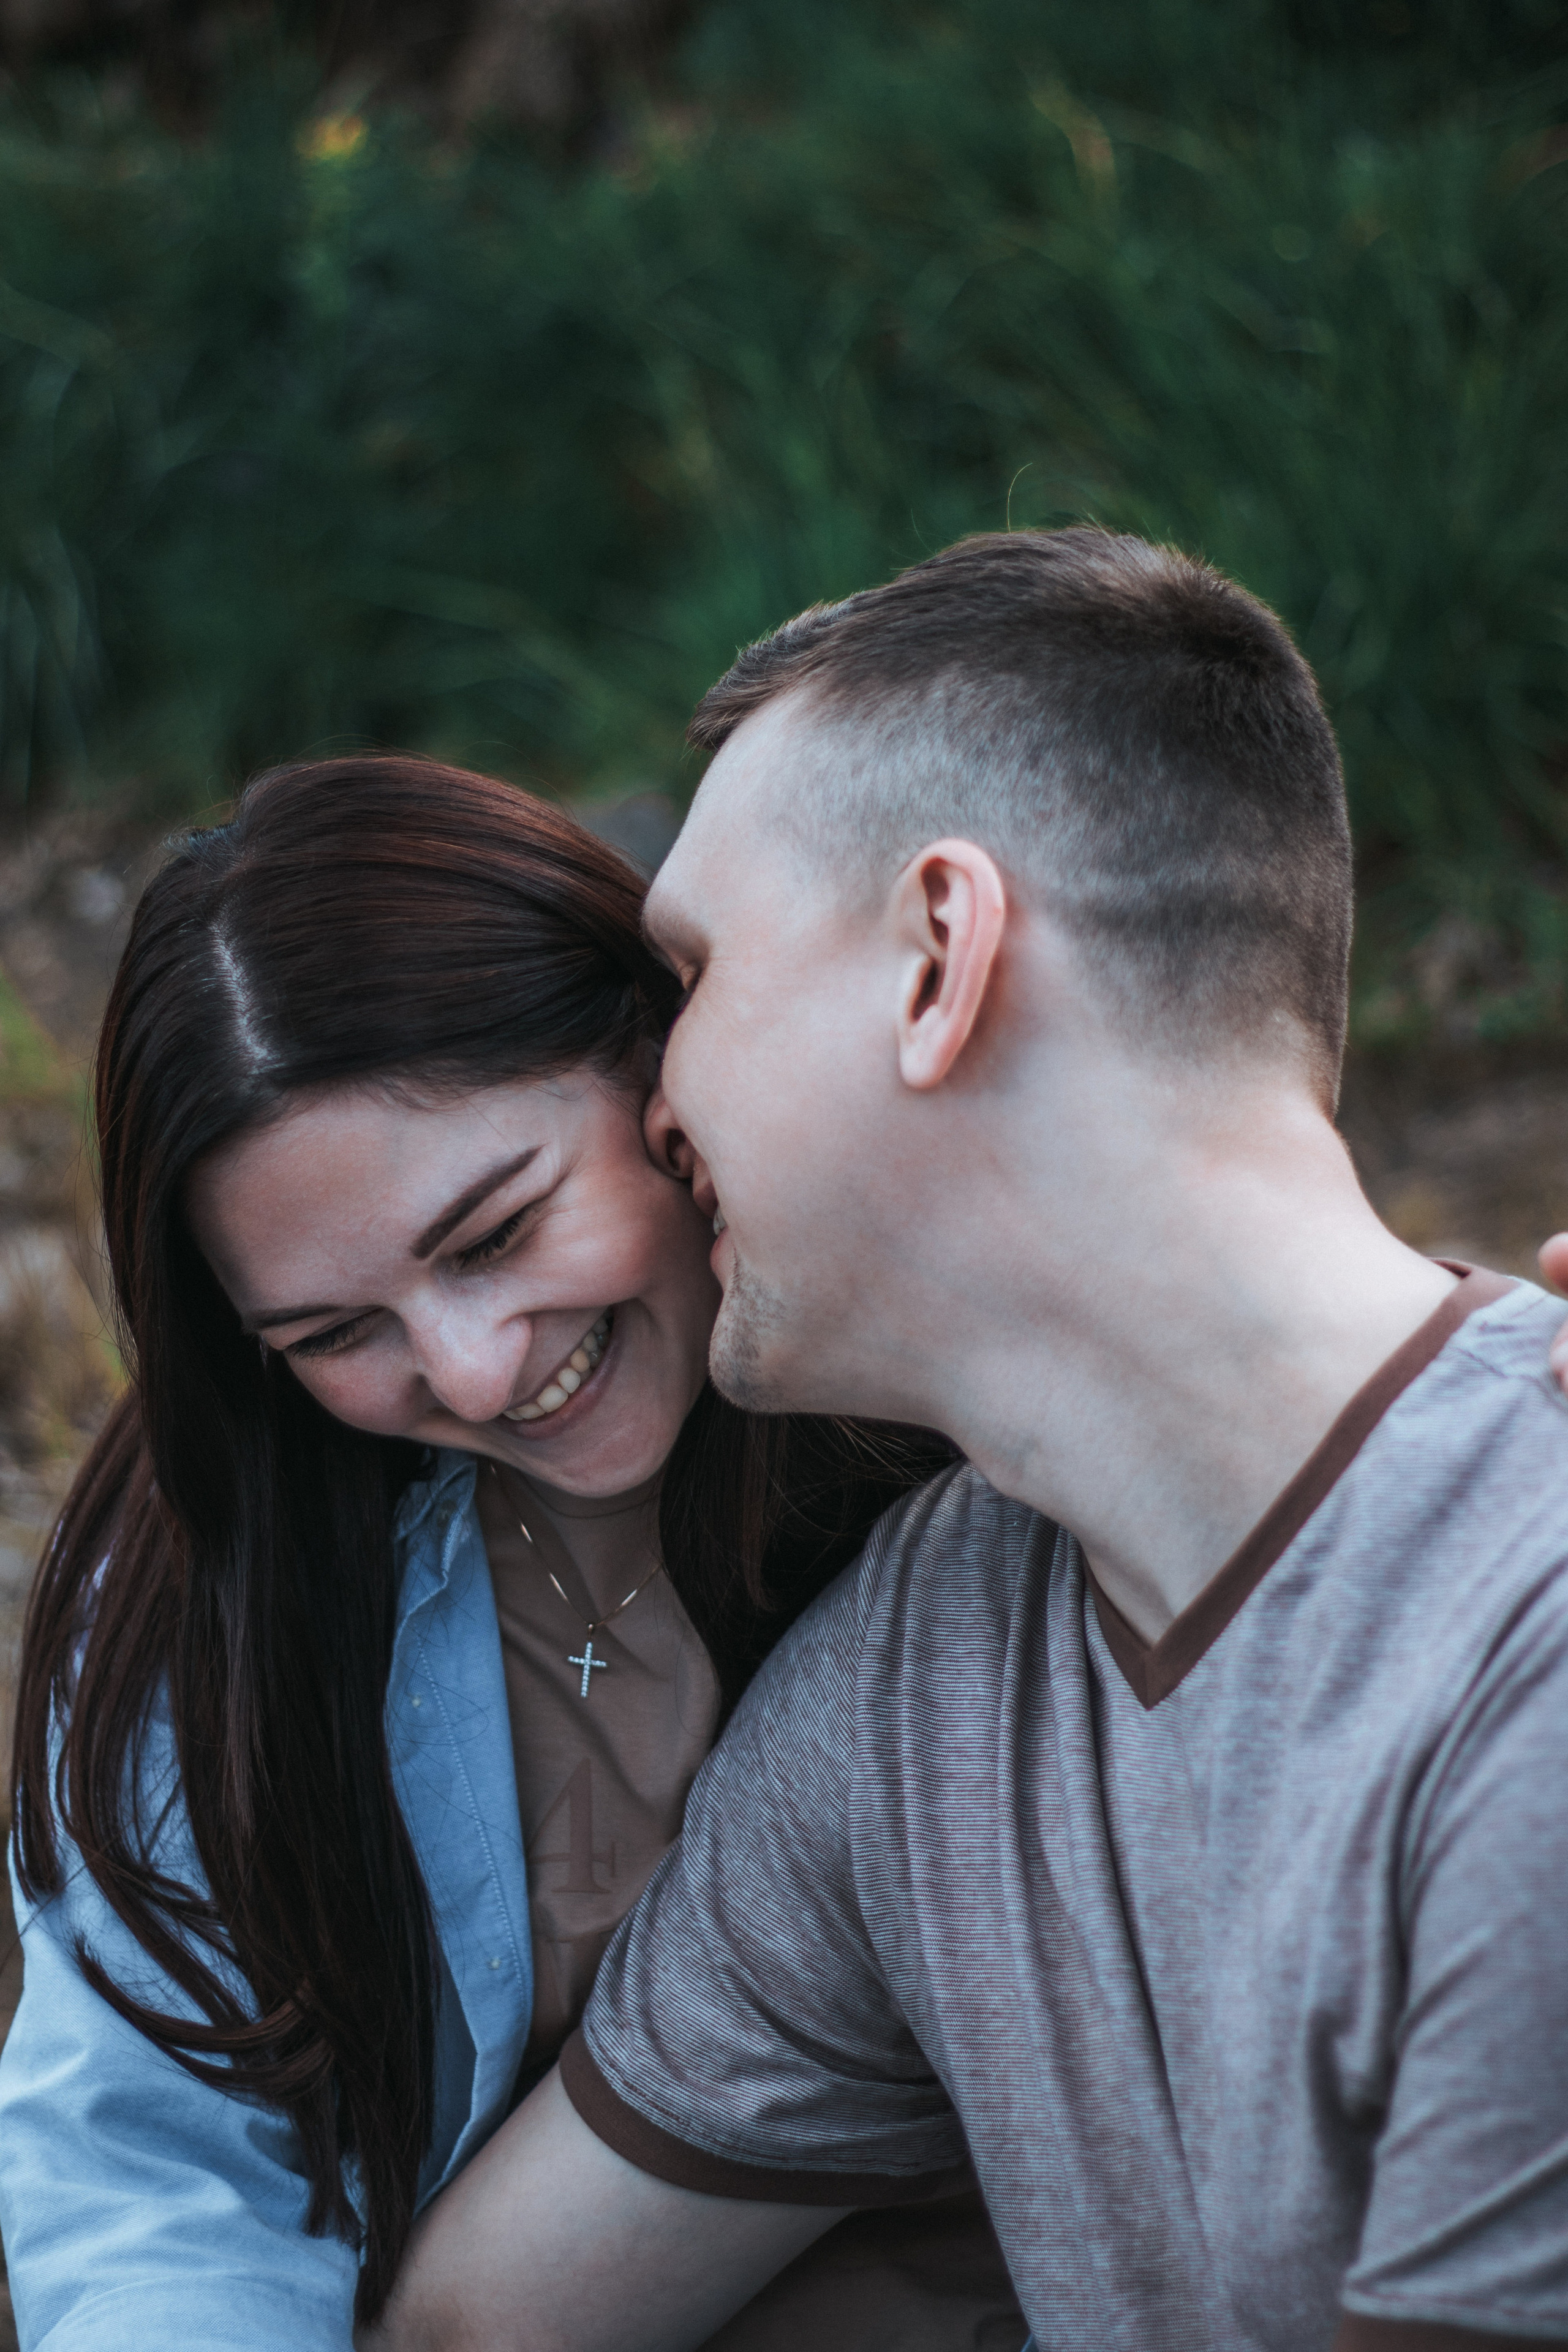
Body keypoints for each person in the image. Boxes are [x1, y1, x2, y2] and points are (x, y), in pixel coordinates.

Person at [373, 530, 1568, 2352]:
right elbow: (477, 2333)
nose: (652, 1098)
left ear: (940, 956)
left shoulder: (1526, 1657)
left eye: (690, 978)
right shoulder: (924, 1682)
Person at [0, 756, 1026, 2350]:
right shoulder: (224, 1580)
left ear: (660, 1062)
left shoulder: (985, 1408)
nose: (473, 1372)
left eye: (493, 1232)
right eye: (336, 1329)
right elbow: (158, 2174)